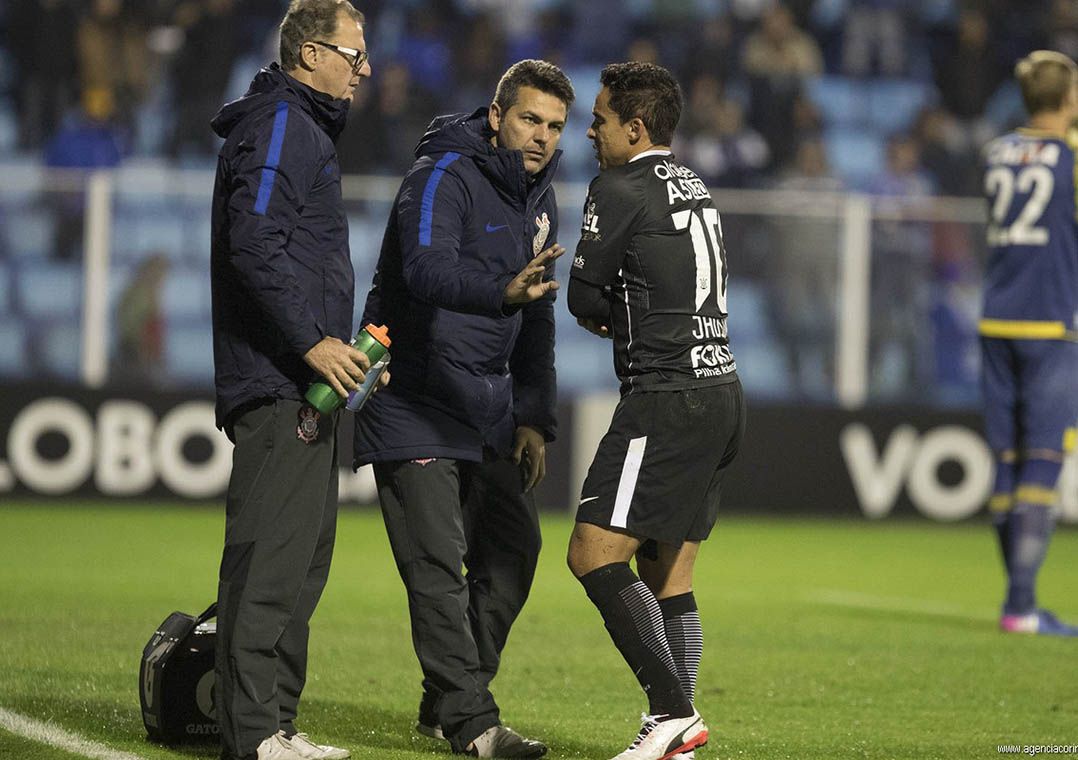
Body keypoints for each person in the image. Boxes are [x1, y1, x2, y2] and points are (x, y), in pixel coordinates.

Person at [353, 59, 574, 758]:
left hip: (486, 407)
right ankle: (474, 725)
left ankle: (446, 698)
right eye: (530, 119)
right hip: (412, 397)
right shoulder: (440, 175)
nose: (541, 137)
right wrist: (500, 292)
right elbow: (422, 268)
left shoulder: (542, 201)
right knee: (438, 565)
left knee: (514, 549)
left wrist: (535, 416)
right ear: (496, 115)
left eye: (555, 127)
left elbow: (538, 320)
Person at [209, 2, 378, 759]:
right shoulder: (282, 123)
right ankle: (251, 735)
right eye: (353, 53)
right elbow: (253, 242)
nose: (364, 68)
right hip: (280, 382)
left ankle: (273, 724)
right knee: (271, 562)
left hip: (301, 384)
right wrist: (312, 343)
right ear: (311, 54)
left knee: (299, 564)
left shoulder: (299, 127)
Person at [566, 62, 745, 760]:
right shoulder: (697, 186)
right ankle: (682, 733)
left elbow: (584, 299)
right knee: (669, 575)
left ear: (633, 128)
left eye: (601, 118)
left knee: (592, 554)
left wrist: (610, 308)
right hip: (722, 389)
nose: (591, 129)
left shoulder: (617, 186)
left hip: (666, 396)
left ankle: (672, 714)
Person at [980, 50, 1078, 637]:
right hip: (1050, 323)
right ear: (1067, 99)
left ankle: (1019, 601)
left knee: (1006, 462)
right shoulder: (1070, 158)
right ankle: (1020, 604)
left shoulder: (995, 151)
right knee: (1043, 461)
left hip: (995, 320)